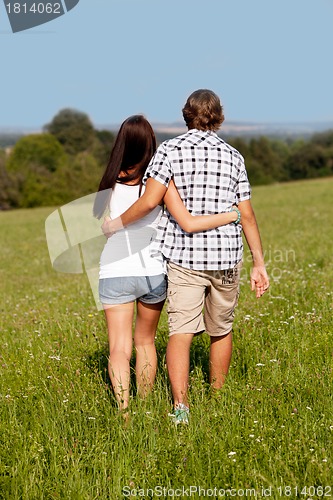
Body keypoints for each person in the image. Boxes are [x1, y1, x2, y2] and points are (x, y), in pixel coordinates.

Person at [102, 91, 270, 425]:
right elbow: (246, 214)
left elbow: (151, 200)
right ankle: (218, 397)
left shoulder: (169, 150)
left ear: (186, 115)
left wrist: (114, 224)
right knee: (221, 329)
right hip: (225, 257)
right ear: (219, 117)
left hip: (184, 259)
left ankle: (181, 409)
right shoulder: (235, 156)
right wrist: (259, 263)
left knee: (180, 331)